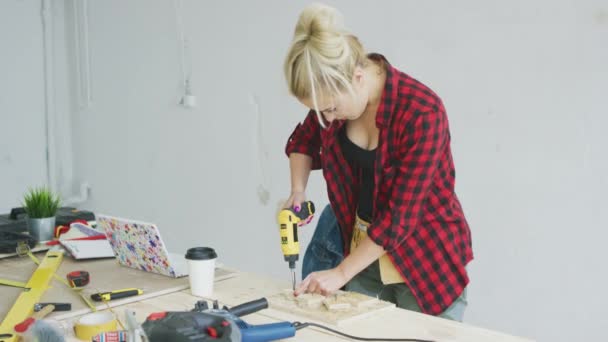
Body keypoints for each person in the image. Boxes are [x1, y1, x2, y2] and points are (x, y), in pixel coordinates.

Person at [281, 3, 473, 321]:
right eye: (318, 111)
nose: (325, 119)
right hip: (364, 258)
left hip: (424, 264)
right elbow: (304, 140)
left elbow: (399, 218)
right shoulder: (334, 101)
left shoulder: (422, 112)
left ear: (357, 78)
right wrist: (297, 190)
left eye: (329, 109)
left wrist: (340, 273)